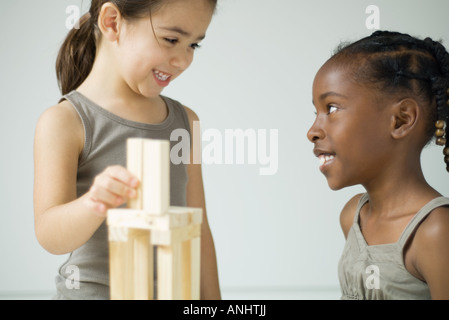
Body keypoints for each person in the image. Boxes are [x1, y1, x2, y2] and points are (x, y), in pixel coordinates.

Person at [34, 0, 221, 300]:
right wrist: (93, 203)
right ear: (112, 22)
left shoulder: (187, 123)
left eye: (193, 46)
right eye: (171, 39)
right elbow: (50, 234)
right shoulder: (65, 121)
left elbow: (198, 229)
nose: (183, 60)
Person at [307, 31, 449, 300]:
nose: (312, 131)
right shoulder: (353, 216)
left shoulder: (436, 231)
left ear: (400, 120)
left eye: (332, 109)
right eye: (316, 112)